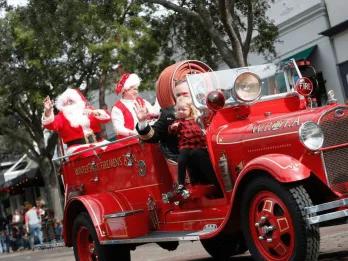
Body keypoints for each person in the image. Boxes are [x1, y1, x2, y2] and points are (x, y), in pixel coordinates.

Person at [136, 80, 218, 187]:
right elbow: (153, 136)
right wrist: (142, 121)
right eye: (178, 95)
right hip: (191, 160)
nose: (181, 97)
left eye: (185, 94)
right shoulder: (170, 113)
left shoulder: (209, 106)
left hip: (216, 151)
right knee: (197, 154)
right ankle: (217, 187)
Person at [42, 88, 110, 156]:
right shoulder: (61, 117)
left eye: (71, 101)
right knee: (90, 155)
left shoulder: (89, 110)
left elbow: (107, 118)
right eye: (66, 102)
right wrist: (48, 112)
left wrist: (94, 112)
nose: (69, 103)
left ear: (77, 100)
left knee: (116, 147)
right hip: (77, 148)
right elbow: (50, 124)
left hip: (99, 143)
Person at [168, 96, 210, 198]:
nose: (181, 112)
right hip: (186, 146)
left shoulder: (196, 119)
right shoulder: (178, 123)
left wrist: (204, 132)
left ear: (190, 109)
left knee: (203, 158)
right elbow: (172, 130)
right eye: (178, 110)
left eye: (184, 109)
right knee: (181, 160)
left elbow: (203, 128)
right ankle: (181, 183)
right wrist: (172, 127)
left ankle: (211, 181)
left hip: (198, 145)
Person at [111, 73, 158, 139]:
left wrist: (159, 96)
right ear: (125, 90)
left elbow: (154, 112)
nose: (136, 92)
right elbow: (118, 129)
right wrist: (135, 133)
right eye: (134, 89)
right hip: (130, 143)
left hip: (146, 138)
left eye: (137, 89)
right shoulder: (117, 108)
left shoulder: (141, 100)